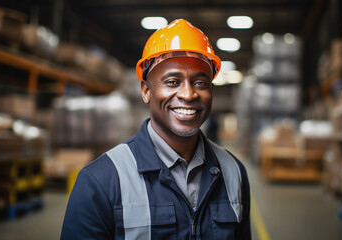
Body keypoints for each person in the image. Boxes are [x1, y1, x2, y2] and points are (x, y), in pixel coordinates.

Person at [61, 19, 251, 240]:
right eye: (172, 82)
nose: (188, 95)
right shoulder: (101, 180)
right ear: (146, 91)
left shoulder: (234, 172)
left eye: (201, 83)